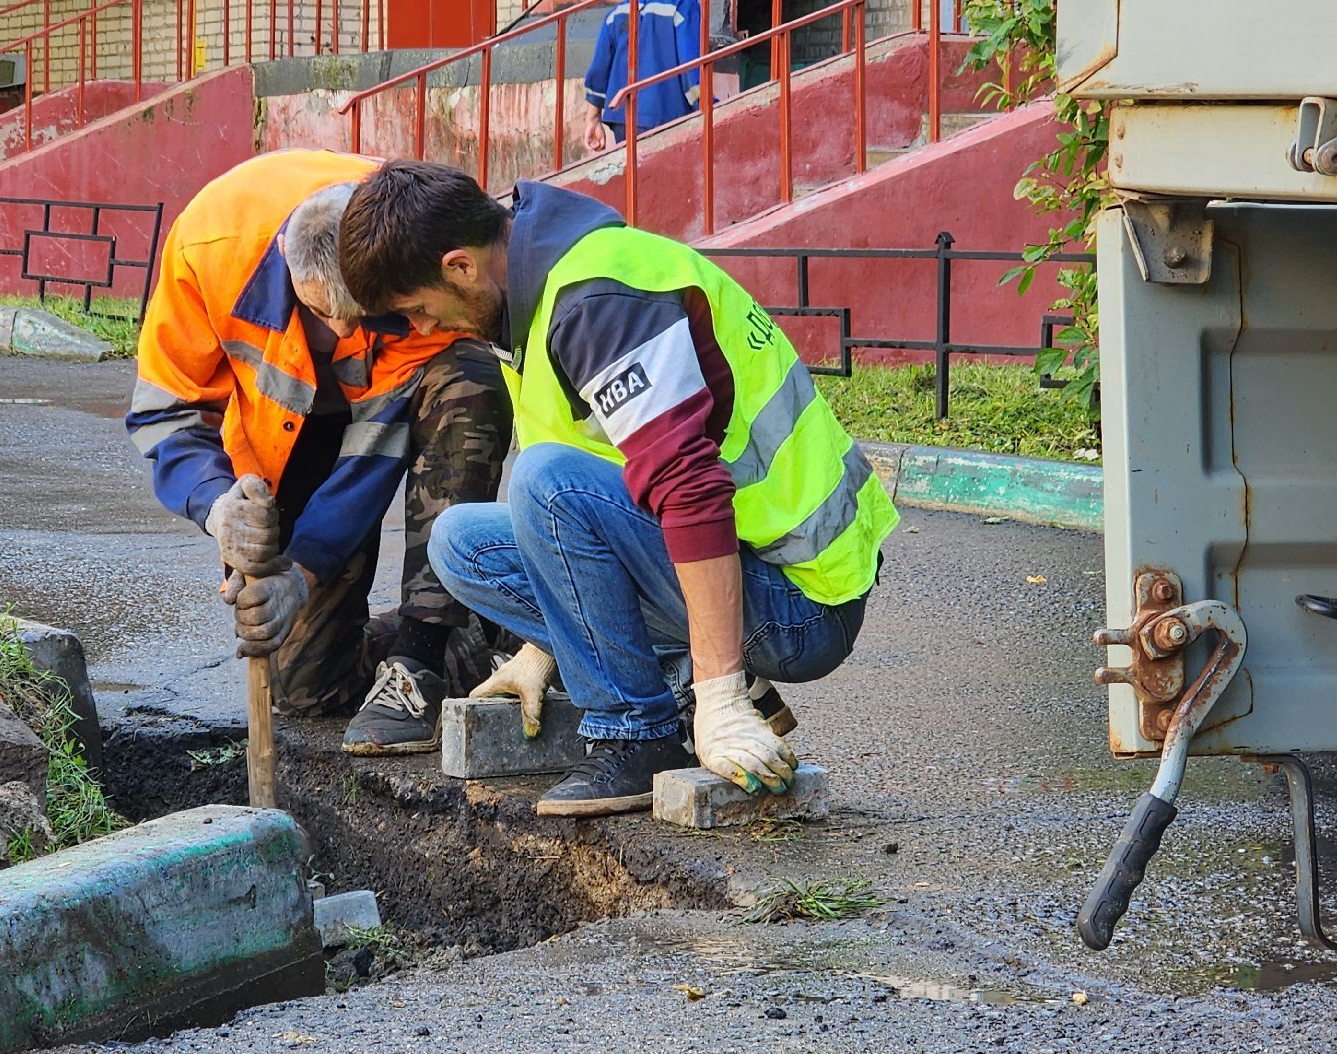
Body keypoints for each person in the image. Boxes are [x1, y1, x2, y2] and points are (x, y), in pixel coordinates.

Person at [337, 162, 898, 817]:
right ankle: (675, 678)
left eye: (419, 310)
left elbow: (688, 490)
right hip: (747, 571)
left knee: (546, 483)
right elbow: (601, 503)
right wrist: (541, 649)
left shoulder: (594, 302)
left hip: (802, 602)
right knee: (462, 544)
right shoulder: (533, 301)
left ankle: (642, 734)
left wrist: (722, 699)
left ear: (459, 267)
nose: (427, 331)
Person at [126, 149, 512, 756]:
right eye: (319, 313)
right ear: (285, 259)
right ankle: (485, 632)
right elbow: (165, 411)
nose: (338, 332)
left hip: (396, 418)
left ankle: (421, 657)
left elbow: (371, 452)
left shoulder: (404, 244)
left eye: (359, 316)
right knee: (307, 686)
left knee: (467, 381)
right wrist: (216, 505)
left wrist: (304, 573)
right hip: (285, 439)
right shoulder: (208, 247)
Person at [581, 0, 704, 153]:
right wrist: (707, 106)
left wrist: (592, 119)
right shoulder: (683, 6)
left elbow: (599, 71)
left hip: (623, 117)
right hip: (668, 115)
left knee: (634, 172)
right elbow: (691, 70)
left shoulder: (616, 13)